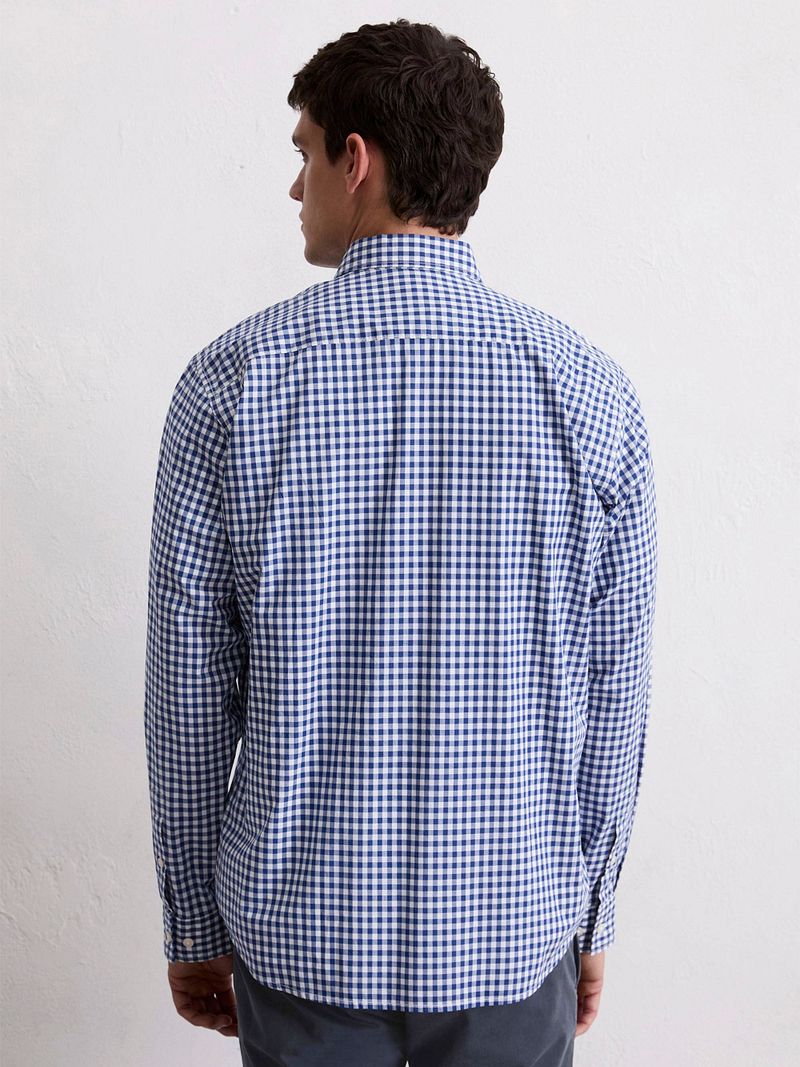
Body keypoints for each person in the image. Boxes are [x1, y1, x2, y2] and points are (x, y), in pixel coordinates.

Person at [143, 18, 658, 1067]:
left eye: (303, 153)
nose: (295, 186)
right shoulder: (593, 397)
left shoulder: (229, 386)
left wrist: (192, 924)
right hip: (515, 936)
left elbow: (189, 691)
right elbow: (614, 697)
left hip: (299, 941)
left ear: (356, 160)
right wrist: (592, 911)